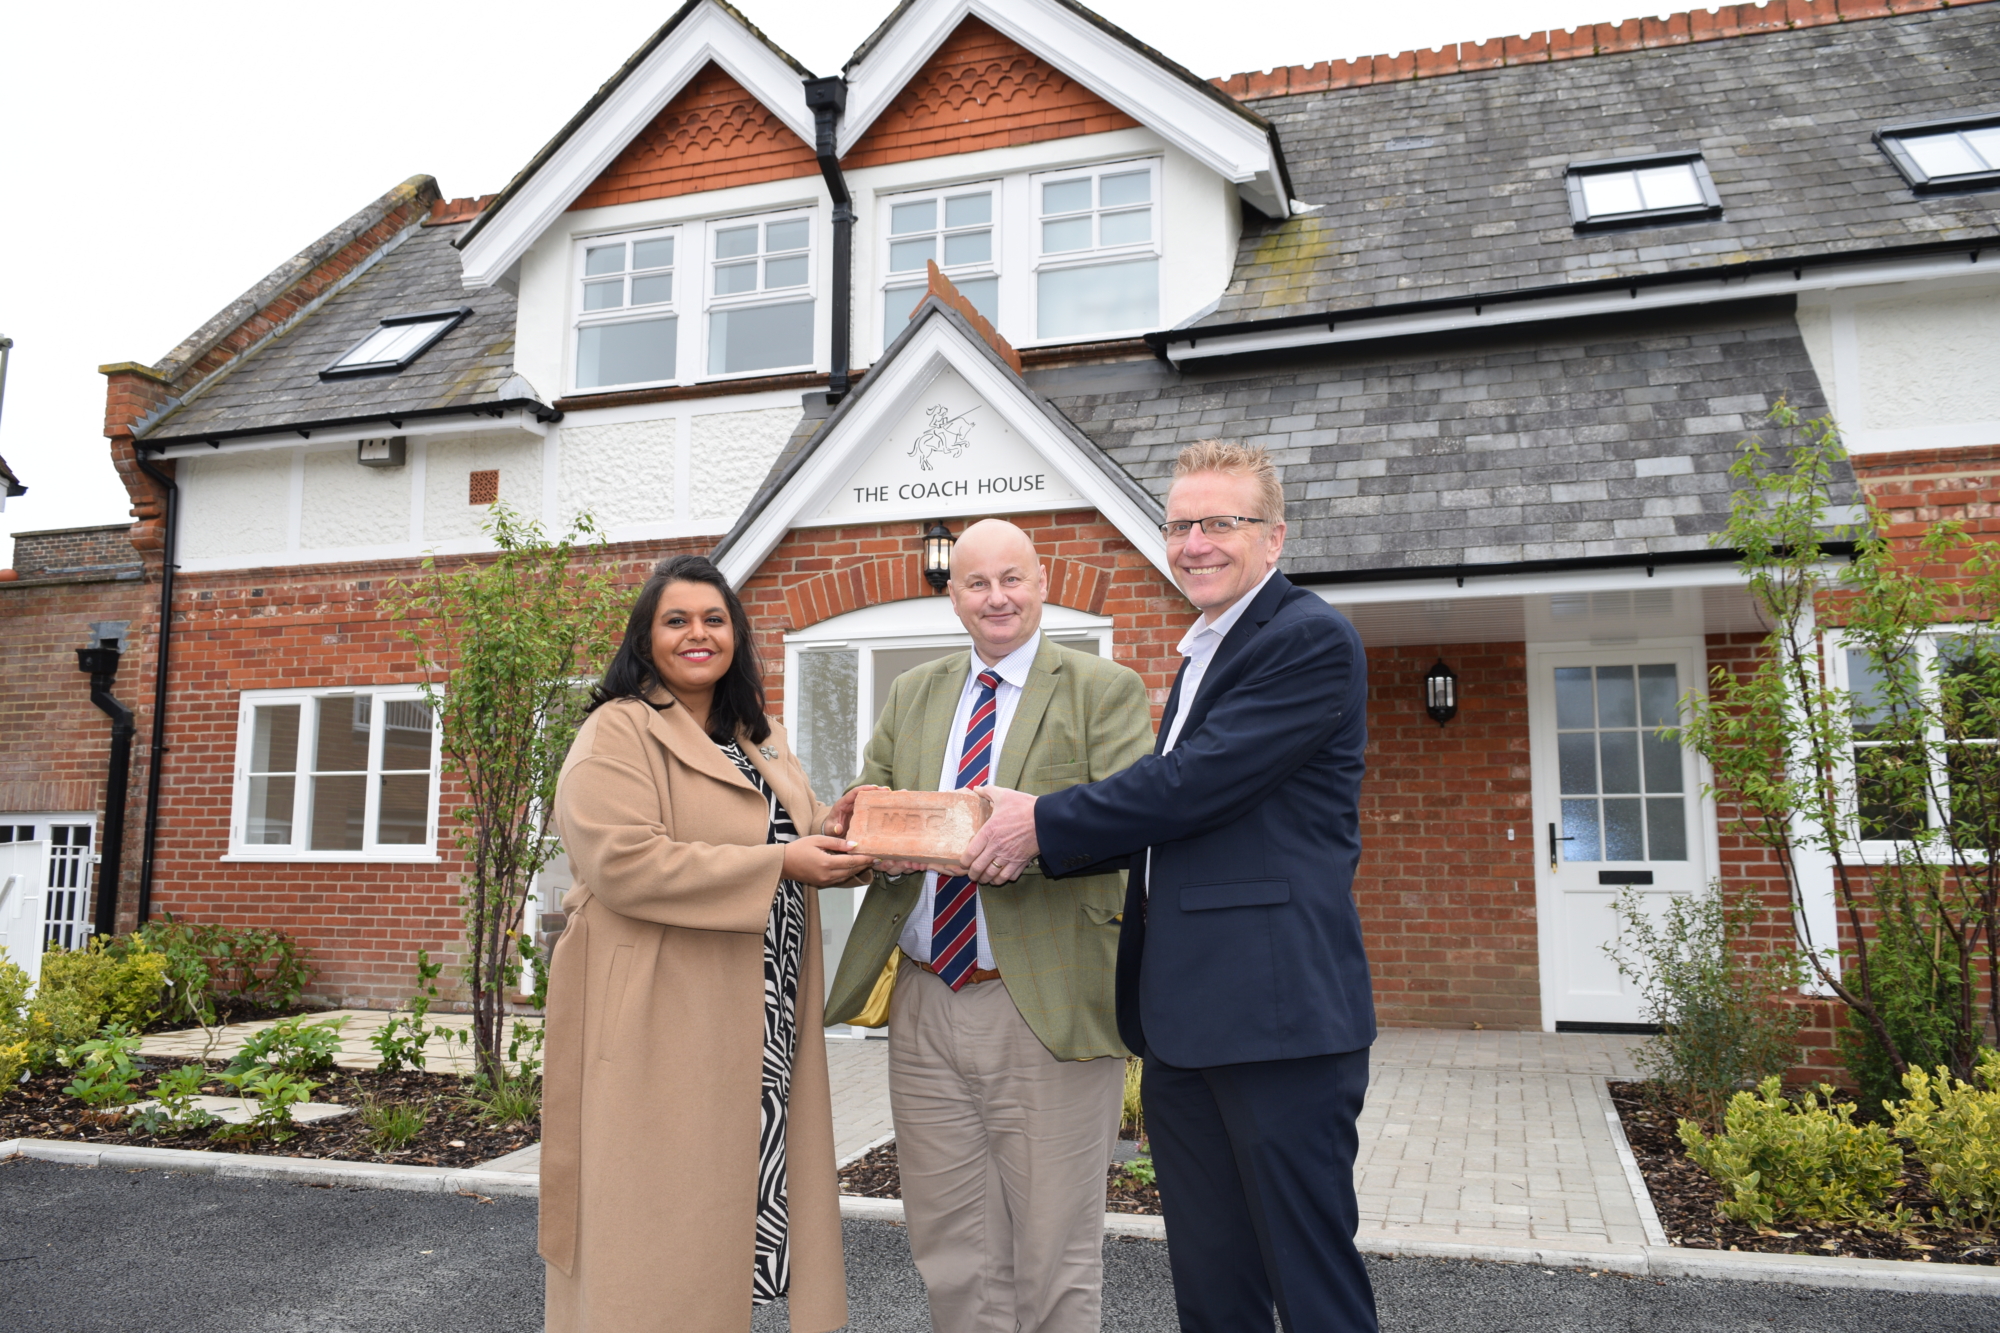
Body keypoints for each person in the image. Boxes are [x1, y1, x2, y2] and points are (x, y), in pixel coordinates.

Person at [963, 443, 1379, 1333]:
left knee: (1311, 1283)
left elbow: (1194, 784)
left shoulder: (1306, 638)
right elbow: (1175, 826)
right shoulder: (1203, 655)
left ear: (1274, 537)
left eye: (1220, 522)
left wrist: (1043, 822)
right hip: (1188, 1022)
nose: (1195, 543)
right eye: (1181, 525)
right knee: (1212, 1283)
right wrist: (1034, 840)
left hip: (1277, 1021)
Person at [821, 518, 1153, 1333]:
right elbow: (874, 804)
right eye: (977, 582)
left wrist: (1030, 834)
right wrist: (863, 833)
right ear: (954, 596)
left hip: (1043, 1003)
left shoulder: (1102, 689)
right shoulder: (914, 692)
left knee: (1054, 1252)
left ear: (1042, 584)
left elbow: (1133, 821)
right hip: (926, 999)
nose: (996, 597)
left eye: (1012, 578)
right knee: (953, 1248)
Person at [541, 554, 873, 1333]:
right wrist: (782, 861)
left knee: (742, 1194)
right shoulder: (618, 729)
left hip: (764, 1010)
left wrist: (847, 830)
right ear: (646, 638)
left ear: (736, 634)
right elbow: (622, 862)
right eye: (677, 620)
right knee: (658, 1217)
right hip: (663, 1014)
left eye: (714, 619)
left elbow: (795, 830)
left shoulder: (757, 735)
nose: (699, 634)